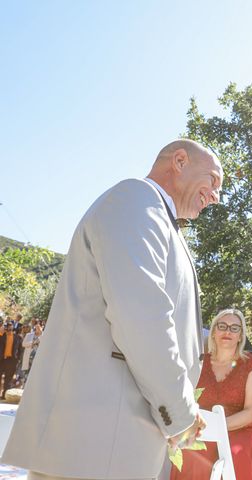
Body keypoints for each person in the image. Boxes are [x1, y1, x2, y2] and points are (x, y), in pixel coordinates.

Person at [2, 139, 223, 480]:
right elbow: (142, 318)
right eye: (212, 180)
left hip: (116, 444)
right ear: (179, 161)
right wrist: (181, 413)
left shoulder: (158, 219)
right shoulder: (135, 200)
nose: (215, 196)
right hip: (96, 441)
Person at [171, 308, 252, 480]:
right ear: (213, 332)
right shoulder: (199, 362)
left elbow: (250, 413)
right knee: (191, 454)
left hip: (239, 430)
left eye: (234, 328)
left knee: (235, 454)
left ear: (241, 336)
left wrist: (217, 429)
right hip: (202, 429)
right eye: (222, 326)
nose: (228, 331)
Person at [0, 321, 23, 398]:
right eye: (7, 326)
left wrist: (18, 359)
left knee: (8, 377)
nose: (9, 328)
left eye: (10, 326)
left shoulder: (18, 337)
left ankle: (4, 395)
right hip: (2, 359)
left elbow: (20, 349)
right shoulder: (1, 336)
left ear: (13, 327)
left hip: (12, 360)